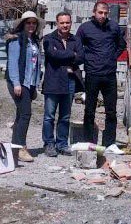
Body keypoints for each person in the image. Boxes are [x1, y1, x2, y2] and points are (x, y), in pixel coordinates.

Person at [75, 1, 126, 147]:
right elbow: (78, 46)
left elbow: (121, 45)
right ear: (94, 12)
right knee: (89, 110)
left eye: (105, 13)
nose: (103, 16)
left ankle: (109, 143)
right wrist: (88, 58)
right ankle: (89, 142)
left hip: (109, 75)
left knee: (111, 111)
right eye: (100, 13)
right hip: (92, 73)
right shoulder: (85, 28)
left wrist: (112, 57)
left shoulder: (114, 27)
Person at [42, 11, 84, 157]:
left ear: (71, 23)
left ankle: (62, 144)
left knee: (65, 116)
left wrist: (66, 57)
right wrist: (72, 54)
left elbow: (81, 57)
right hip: (53, 82)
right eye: (62, 23)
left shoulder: (75, 39)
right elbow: (52, 55)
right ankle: (49, 144)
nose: (65, 25)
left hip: (69, 82)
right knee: (49, 116)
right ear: (57, 23)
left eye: (67, 22)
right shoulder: (48, 38)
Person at [5, 10, 43, 163]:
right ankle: (21, 147)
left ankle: (14, 147)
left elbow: (36, 65)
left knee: (21, 114)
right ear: (23, 24)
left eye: (34, 23)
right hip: (19, 82)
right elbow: (13, 63)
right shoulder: (16, 40)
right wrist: (16, 83)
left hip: (29, 82)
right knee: (26, 113)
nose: (31, 25)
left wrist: (36, 84)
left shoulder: (34, 41)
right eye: (28, 23)